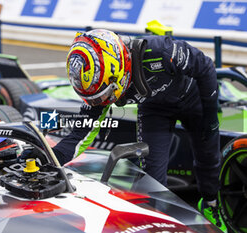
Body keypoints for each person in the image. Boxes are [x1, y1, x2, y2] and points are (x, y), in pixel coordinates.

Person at [51, 29, 226, 232]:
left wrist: (211, 114)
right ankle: (156, 222)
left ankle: (212, 204)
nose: (102, 102)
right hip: (154, 110)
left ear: (119, 68)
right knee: (152, 178)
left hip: (194, 99)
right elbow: (78, 135)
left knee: (208, 158)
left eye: (104, 95)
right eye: (96, 98)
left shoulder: (161, 51)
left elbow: (205, 66)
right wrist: (50, 160)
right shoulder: (100, 80)